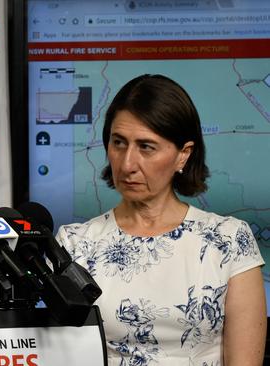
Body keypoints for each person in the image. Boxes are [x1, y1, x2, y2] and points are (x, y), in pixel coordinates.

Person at [55, 74, 266, 365]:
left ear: (183, 155)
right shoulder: (74, 244)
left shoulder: (229, 240)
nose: (127, 164)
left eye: (146, 147)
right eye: (118, 143)